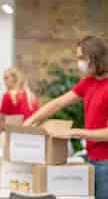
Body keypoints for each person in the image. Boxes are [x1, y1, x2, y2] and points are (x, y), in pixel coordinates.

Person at [24, 35, 108, 199]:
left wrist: (75, 132)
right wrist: (31, 121)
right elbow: (58, 103)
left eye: (81, 58)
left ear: (94, 57)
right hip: (92, 159)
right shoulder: (89, 82)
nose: (79, 63)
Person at [0, 67, 39, 151]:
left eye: (6, 78)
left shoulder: (8, 96)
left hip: (16, 140)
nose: (4, 81)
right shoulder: (31, 97)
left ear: (14, 79)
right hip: (33, 140)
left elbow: (1, 121)